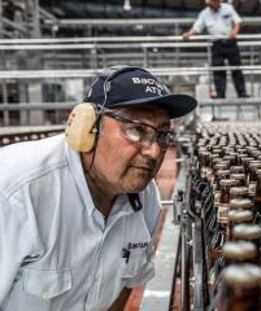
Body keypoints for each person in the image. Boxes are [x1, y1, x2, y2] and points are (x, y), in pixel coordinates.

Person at [0, 66, 197, 310]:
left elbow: (127, 283)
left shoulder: (145, 199)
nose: (154, 151)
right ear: (87, 127)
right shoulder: (15, 193)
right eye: (136, 129)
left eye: (163, 135)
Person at [183, 0, 248, 99]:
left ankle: (242, 93)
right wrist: (188, 34)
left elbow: (238, 22)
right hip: (217, 44)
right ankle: (220, 94)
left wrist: (235, 31)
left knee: (236, 68)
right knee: (218, 70)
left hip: (230, 42)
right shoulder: (205, 13)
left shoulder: (227, 8)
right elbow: (197, 27)